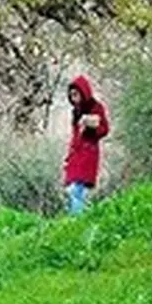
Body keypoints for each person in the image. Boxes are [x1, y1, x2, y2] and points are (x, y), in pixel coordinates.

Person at [63, 75, 110, 215]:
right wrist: (68, 157)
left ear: (84, 92)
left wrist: (91, 125)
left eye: (76, 94)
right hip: (75, 155)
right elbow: (75, 136)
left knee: (77, 189)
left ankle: (77, 220)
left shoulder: (96, 107)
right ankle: (80, 217)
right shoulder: (75, 112)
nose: (73, 98)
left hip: (88, 154)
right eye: (71, 95)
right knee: (72, 190)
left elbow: (104, 129)